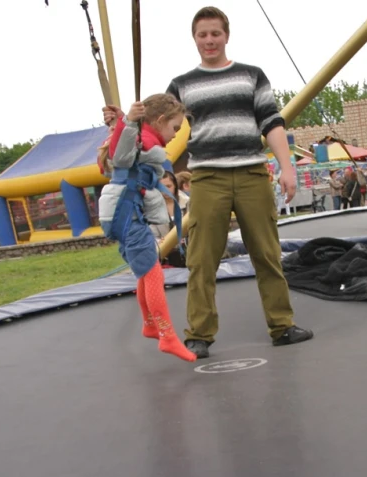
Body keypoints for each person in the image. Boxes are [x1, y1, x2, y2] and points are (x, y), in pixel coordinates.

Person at [104, 6, 313, 359]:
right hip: (207, 177)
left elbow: (272, 122)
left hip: (250, 174)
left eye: (215, 33)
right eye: (203, 34)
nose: (209, 40)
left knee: (267, 253)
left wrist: (286, 166)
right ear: (195, 39)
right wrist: (122, 122)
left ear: (226, 35)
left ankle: (282, 325)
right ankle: (199, 334)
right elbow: (154, 123)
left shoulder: (252, 75)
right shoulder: (182, 84)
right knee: (202, 258)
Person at [99, 94, 197, 363]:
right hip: (126, 211)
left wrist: (123, 121)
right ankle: (167, 336)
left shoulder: (139, 136)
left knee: (146, 267)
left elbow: (123, 146)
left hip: (124, 211)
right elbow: (120, 156)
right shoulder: (141, 138)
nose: (176, 135)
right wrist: (128, 121)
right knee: (154, 274)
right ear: (161, 120)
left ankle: (150, 324)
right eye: (175, 128)